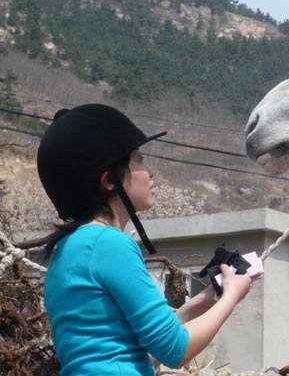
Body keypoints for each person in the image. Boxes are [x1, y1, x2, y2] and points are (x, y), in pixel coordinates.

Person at [37, 104, 252, 375]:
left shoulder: (68, 249)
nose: (151, 172)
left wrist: (204, 300)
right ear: (109, 180)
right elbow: (175, 350)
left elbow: (128, 346)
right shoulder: (109, 244)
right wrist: (231, 296)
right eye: (139, 159)